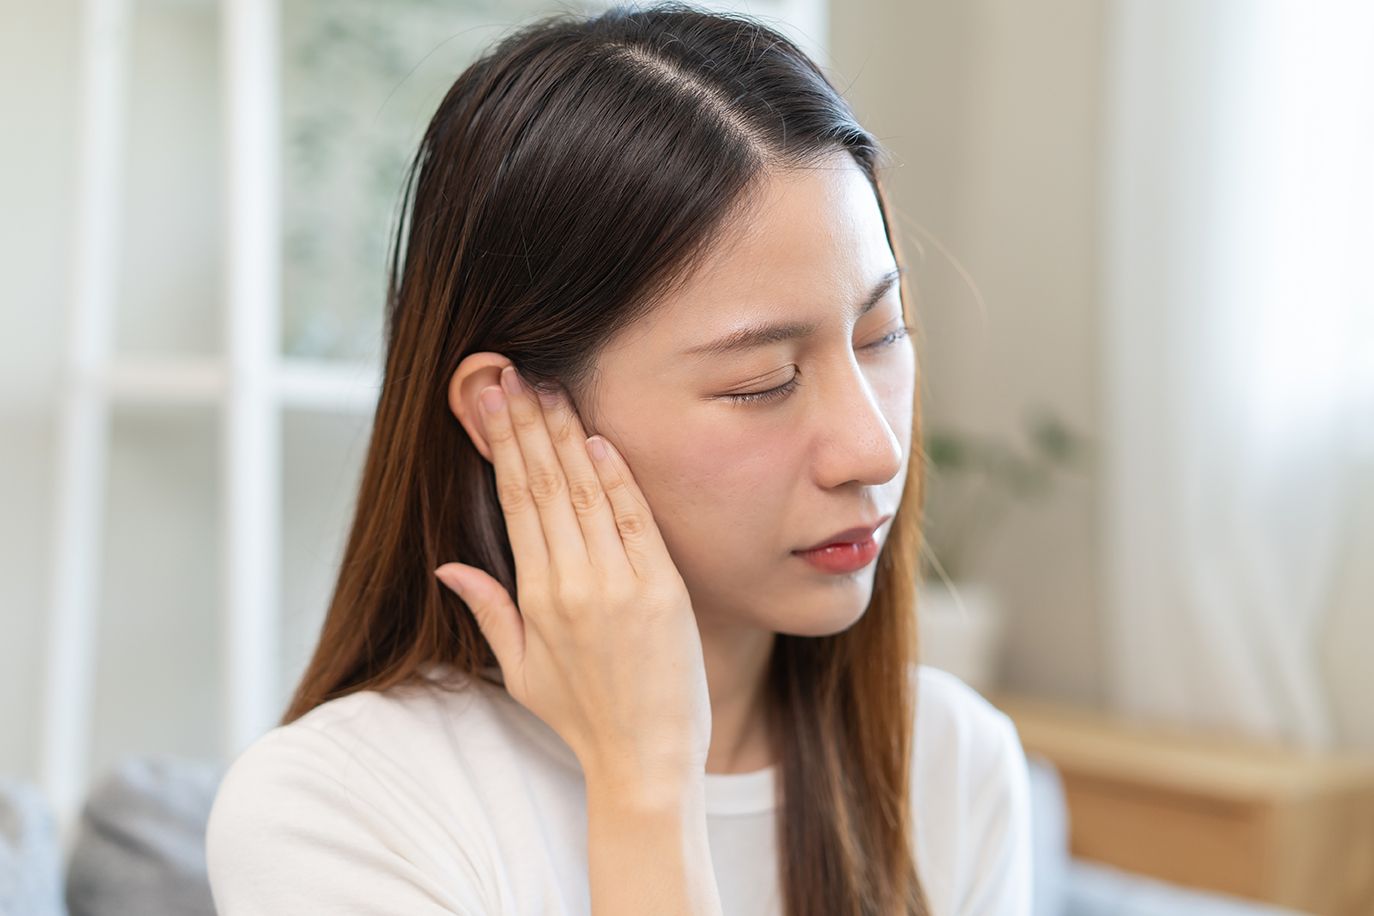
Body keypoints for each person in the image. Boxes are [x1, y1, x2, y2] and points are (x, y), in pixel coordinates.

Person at [204, 3, 1033, 914]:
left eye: (882, 335)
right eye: (760, 381)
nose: (872, 448)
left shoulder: (953, 767)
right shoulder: (340, 812)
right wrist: (644, 788)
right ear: (509, 410)